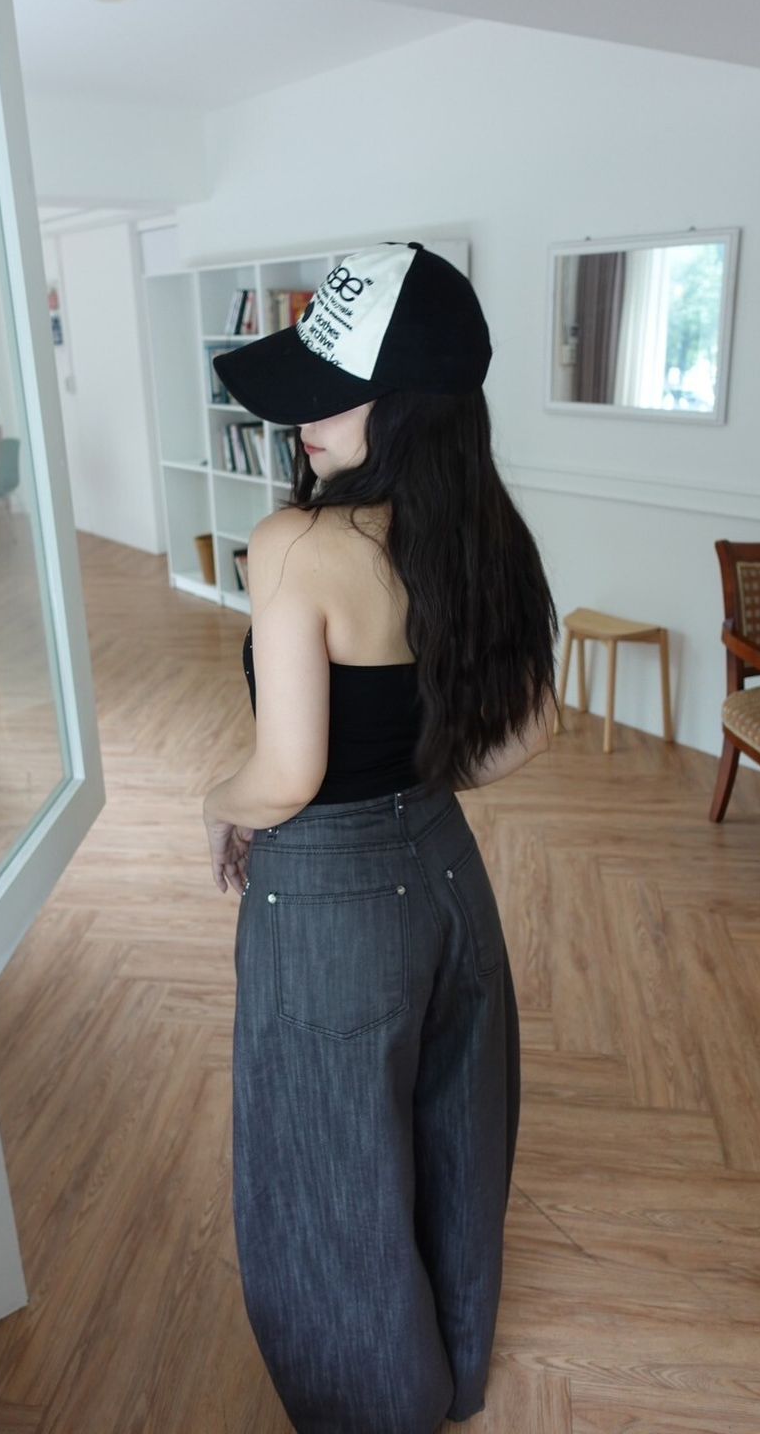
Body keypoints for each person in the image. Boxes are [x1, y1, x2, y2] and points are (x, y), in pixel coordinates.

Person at [201, 241, 560, 1434]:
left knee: (324, 1172)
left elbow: (286, 773)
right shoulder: (486, 535)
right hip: (447, 875)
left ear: (404, 403)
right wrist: (416, 779)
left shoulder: (295, 546)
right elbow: (525, 735)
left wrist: (215, 802)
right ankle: (449, 1378)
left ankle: (372, 1410)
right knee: (456, 1135)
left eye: (327, 392)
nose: (300, 420)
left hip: (327, 901)